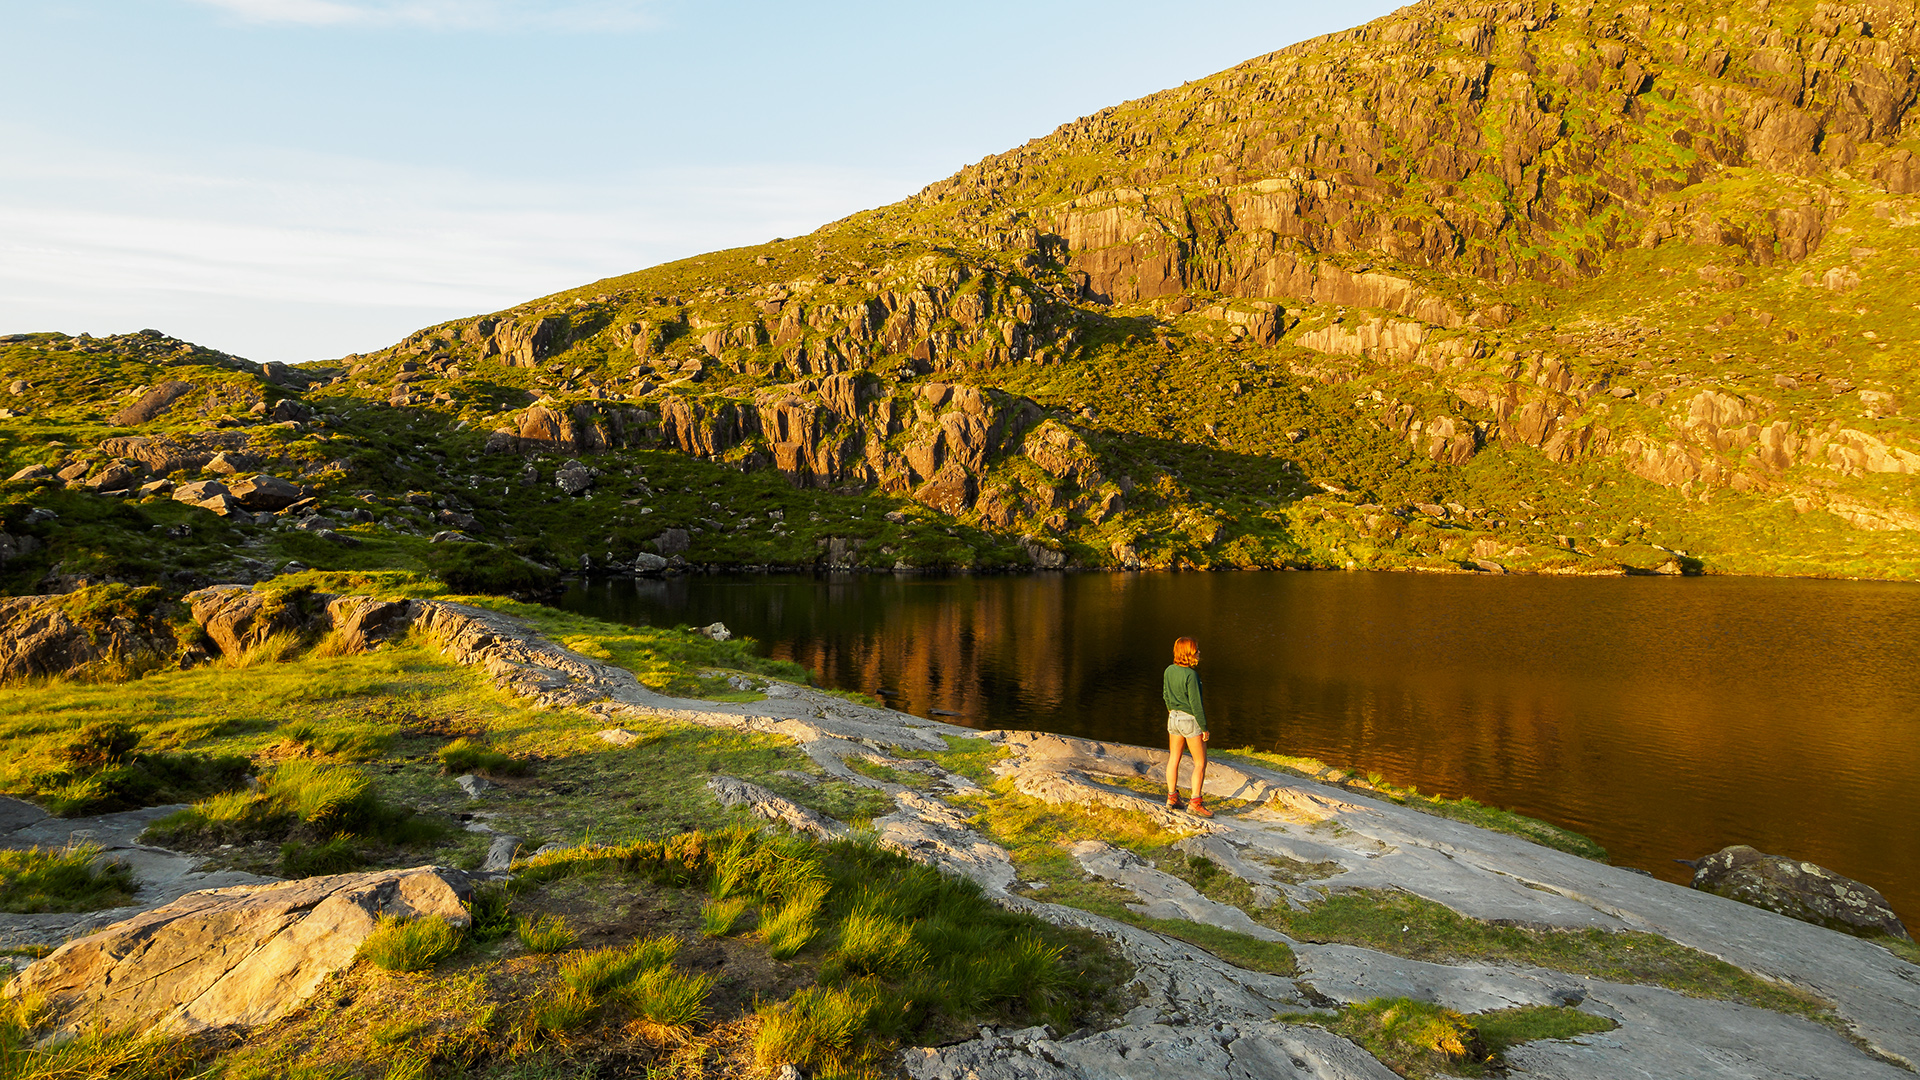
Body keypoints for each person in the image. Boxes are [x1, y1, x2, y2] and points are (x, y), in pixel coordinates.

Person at [1162, 636, 1211, 817]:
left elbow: (1166, 695)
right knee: (1200, 762)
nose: (1199, 653)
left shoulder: (1169, 670)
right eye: (1196, 650)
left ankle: (1172, 797)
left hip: (1173, 717)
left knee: (1174, 758)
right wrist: (1204, 727)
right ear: (1188, 653)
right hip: (1190, 720)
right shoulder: (1191, 675)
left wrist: (1171, 712)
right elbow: (1196, 704)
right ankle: (1195, 802)